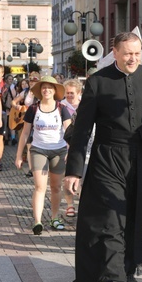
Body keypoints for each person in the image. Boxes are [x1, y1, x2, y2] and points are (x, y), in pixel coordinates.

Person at [64, 32, 142, 282]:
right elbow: (81, 130)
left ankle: (128, 269)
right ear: (114, 52)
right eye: (127, 53)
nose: (133, 59)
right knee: (111, 217)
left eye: (137, 54)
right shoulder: (97, 82)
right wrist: (74, 171)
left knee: (136, 215)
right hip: (108, 157)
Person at [15, 76, 72, 235]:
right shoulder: (34, 109)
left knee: (55, 187)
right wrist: (19, 155)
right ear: (40, 91)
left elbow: (69, 133)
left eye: (50, 87)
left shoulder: (62, 108)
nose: (46, 90)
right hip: (38, 149)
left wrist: (71, 152)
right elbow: (25, 133)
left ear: (55, 90)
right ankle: (37, 221)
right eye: (44, 87)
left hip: (59, 151)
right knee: (40, 187)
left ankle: (54, 217)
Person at [61, 78, 83, 217]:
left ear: (79, 92)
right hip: (64, 145)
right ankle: (70, 205)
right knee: (67, 176)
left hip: (81, 147)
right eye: (67, 93)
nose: (69, 95)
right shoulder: (61, 106)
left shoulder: (85, 106)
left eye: (72, 93)